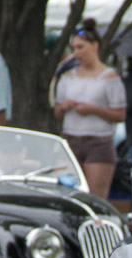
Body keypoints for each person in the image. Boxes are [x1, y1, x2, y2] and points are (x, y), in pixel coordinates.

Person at [53, 20, 126, 199]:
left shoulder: (109, 77)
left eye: (81, 47)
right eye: (74, 48)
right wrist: (63, 107)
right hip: (71, 138)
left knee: (95, 197)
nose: (77, 53)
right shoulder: (68, 76)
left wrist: (93, 109)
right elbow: (57, 113)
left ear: (94, 46)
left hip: (98, 142)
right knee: (67, 195)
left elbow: (120, 114)